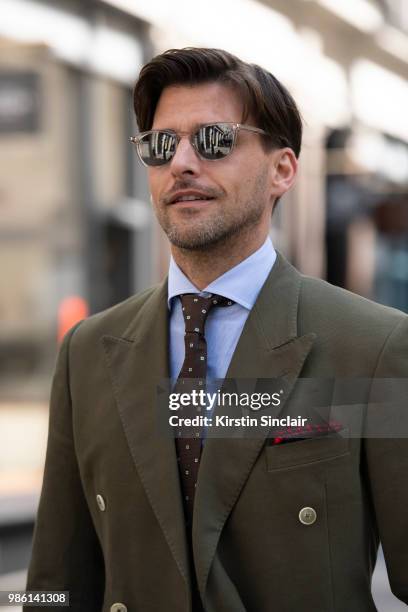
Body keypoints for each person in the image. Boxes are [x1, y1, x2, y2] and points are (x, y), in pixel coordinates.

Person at [25, 48, 408, 612]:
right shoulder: (88, 353)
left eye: (213, 140)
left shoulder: (370, 346)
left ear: (282, 169)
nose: (181, 163)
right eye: (161, 145)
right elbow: (54, 584)